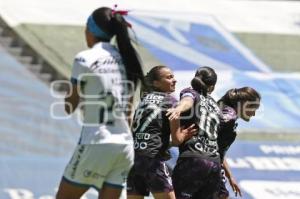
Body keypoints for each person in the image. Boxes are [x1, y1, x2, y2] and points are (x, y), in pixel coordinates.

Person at [56, 6, 144, 199]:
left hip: (96, 142)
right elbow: (128, 113)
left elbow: (69, 107)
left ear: (91, 31)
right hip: (124, 146)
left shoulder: (84, 58)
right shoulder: (128, 58)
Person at [127, 65, 197, 199]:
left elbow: (149, 135)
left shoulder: (143, 101)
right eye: (169, 77)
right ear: (156, 83)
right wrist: (184, 135)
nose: (174, 80)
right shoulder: (170, 101)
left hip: (134, 159)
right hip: (153, 159)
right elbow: (177, 140)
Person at [167, 66, 222, 199]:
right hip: (214, 163)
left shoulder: (190, 92)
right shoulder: (214, 104)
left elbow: (188, 101)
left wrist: (178, 109)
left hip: (193, 159)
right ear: (212, 87)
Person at [217, 87, 261, 199]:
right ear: (244, 104)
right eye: (253, 109)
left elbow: (218, 150)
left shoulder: (227, 114)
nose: (254, 114)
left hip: (212, 165)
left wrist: (230, 176)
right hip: (205, 167)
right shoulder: (228, 117)